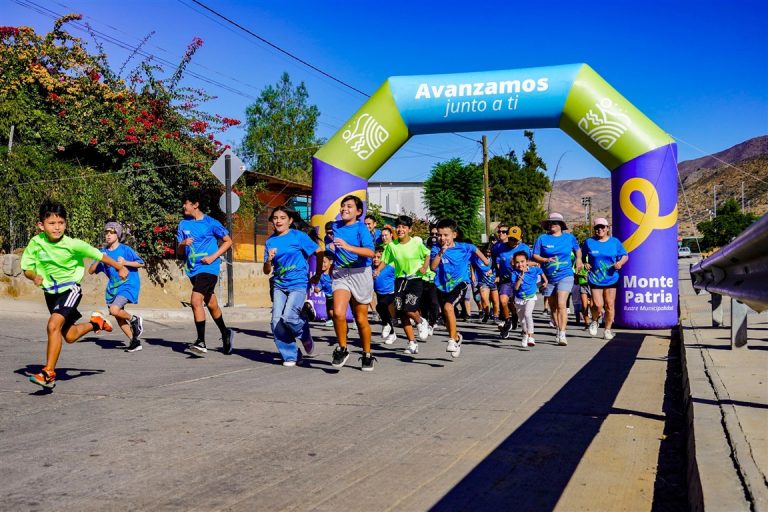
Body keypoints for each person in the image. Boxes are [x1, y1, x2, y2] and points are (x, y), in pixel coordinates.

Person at [22, 200, 129, 389]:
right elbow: (27, 268)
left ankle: (48, 373)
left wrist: (120, 267)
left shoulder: (72, 244)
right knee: (69, 336)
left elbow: (99, 255)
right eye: (52, 223)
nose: (57, 228)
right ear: (41, 225)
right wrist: (34, 276)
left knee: (53, 325)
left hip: (70, 289)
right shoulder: (36, 243)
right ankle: (96, 323)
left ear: (65, 224)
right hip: (51, 293)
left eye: (61, 223)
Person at [176, 189, 235, 356]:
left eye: (186, 203)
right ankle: (225, 332)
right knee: (211, 303)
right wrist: (182, 244)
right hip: (193, 269)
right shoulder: (183, 225)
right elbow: (179, 254)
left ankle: (201, 341)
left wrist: (213, 256)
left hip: (209, 268)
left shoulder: (211, 223)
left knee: (196, 300)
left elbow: (228, 241)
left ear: (195, 205)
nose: (183, 206)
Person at [264, 206, 321, 366]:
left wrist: (317, 274)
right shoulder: (270, 241)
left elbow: (319, 251)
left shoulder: (298, 236)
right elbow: (266, 270)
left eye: (282, 217)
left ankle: (304, 334)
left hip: (298, 283)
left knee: (289, 317)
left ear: (289, 221)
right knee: (276, 321)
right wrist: (268, 260)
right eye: (275, 218)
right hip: (279, 285)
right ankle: (291, 355)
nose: (278, 221)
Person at [430, 218, 490, 358]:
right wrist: (441, 253)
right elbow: (433, 267)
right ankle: (456, 337)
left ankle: (451, 340)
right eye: (439, 235)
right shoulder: (435, 249)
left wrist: (485, 263)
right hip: (442, 286)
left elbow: (475, 250)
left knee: (448, 307)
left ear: (454, 235)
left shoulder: (463, 247)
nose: (442, 238)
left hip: (460, 283)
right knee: (447, 319)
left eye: (446, 235)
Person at [329, 195, 376, 371]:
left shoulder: (361, 228)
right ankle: (342, 348)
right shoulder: (335, 226)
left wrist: (348, 247)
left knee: (361, 319)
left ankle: (367, 354)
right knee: (338, 313)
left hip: (361, 273)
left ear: (358, 211)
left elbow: (371, 253)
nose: (344, 209)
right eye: (342, 206)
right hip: (341, 273)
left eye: (349, 206)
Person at [88, 221, 146, 352]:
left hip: (128, 285)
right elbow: (91, 271)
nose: (108, 235)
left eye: (112, 232)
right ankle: (134, 341)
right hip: (113, 288)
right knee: (118, 316)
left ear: (118, 235)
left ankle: (134, 319)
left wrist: (125, 262)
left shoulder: (125, 249)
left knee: (114, 310)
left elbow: (141, 263)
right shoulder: (103, 253)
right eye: (106, 232)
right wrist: (98, 257)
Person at [381, 215, 431, 355]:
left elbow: (427, 254)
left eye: (404, 227)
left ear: (409, 229)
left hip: (415, 279)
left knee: (409, 309)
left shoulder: (416, 243)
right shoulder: (392, 245)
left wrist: (424, 268)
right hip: (400, 280)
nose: (401, 229)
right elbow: (385, 260)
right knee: (401, 311)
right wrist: (377, 270)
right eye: (399, 226)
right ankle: (412, 343)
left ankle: (421, 321)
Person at [533, 212, 582, 346]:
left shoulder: (569, 238)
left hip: (565, 274)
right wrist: (545, 259)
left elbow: (578, 250)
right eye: (550, 223)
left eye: (554, 222)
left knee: (561, 304)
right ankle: (557, 328)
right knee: (553, 307)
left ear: (561, 225)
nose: (551, 225)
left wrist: (579, 260)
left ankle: (562, 333)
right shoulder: (542, 239)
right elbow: (535, 255)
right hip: (548, 277)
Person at [582, 217, 629, 341]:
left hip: (611, 278)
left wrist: (620, 263)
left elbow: (625, 255)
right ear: (594, 230)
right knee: (598, 305)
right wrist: (585, 264)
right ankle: (595, 321)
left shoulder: (615, 242)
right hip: (595, 278)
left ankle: (607, 330)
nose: (600, 229)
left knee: (609, 305)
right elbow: (582, 256)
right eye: (597, 227)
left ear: (607, 229)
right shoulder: (589, 242)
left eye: (603, 227)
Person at [493, 225, 531, 339]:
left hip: (520, 279)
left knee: (517, 304)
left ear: (520, 239)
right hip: (506, 279)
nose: (512, 241)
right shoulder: (499, 247)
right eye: (510, 238)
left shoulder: (525, 248)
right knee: (503, 300)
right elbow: (494, 259)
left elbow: (529, 263)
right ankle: (507, 321)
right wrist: (497, 273)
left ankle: (516, 317)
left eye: (515, 239)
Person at [510, 251, 547, 348]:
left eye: (522, 261)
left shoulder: (533, 270)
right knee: (522, 320)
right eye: (517, 262)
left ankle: (531, 337)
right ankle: (525, 334)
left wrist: (545, 281)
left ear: (527, 262)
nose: (520, 264)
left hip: (530, 297)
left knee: (528, 314)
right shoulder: (514, 273)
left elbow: (541, 271)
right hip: (519, 299)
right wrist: (520, 277)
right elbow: (516, 288)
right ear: (514, 263)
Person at [372, 246, 397, 344]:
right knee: (384, 313)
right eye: (374, 257)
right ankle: (392, 334)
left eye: (378, 257)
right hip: (379, 293)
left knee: (380, 307)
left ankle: (386, 325)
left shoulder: (390, 266)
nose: (376, 259)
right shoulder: (372, 268)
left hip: (390, 292)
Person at [473, 242, 499, 324]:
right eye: (486, 251)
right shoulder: (479, 258)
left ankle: (495, 316)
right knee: (484, 299)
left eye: (489, 252)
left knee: (495, 300)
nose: (488, 253)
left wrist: (498, 277)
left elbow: (498, 268)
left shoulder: (494, 258)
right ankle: (487, 314)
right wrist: (472, 275)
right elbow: (473, 265)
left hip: (493, 281)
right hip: (483, 281)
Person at [313, 251, 335, 327]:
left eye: (324, 262)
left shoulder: (334, 273)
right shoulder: (320, 276)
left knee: (332, 311)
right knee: (330, 312)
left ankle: (339, 322)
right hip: (328, 297)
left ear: (331, 262)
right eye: (320, 262)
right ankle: (333, 320)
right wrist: (316, 289)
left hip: (336, 297)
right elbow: (319, 287)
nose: (322, 264)